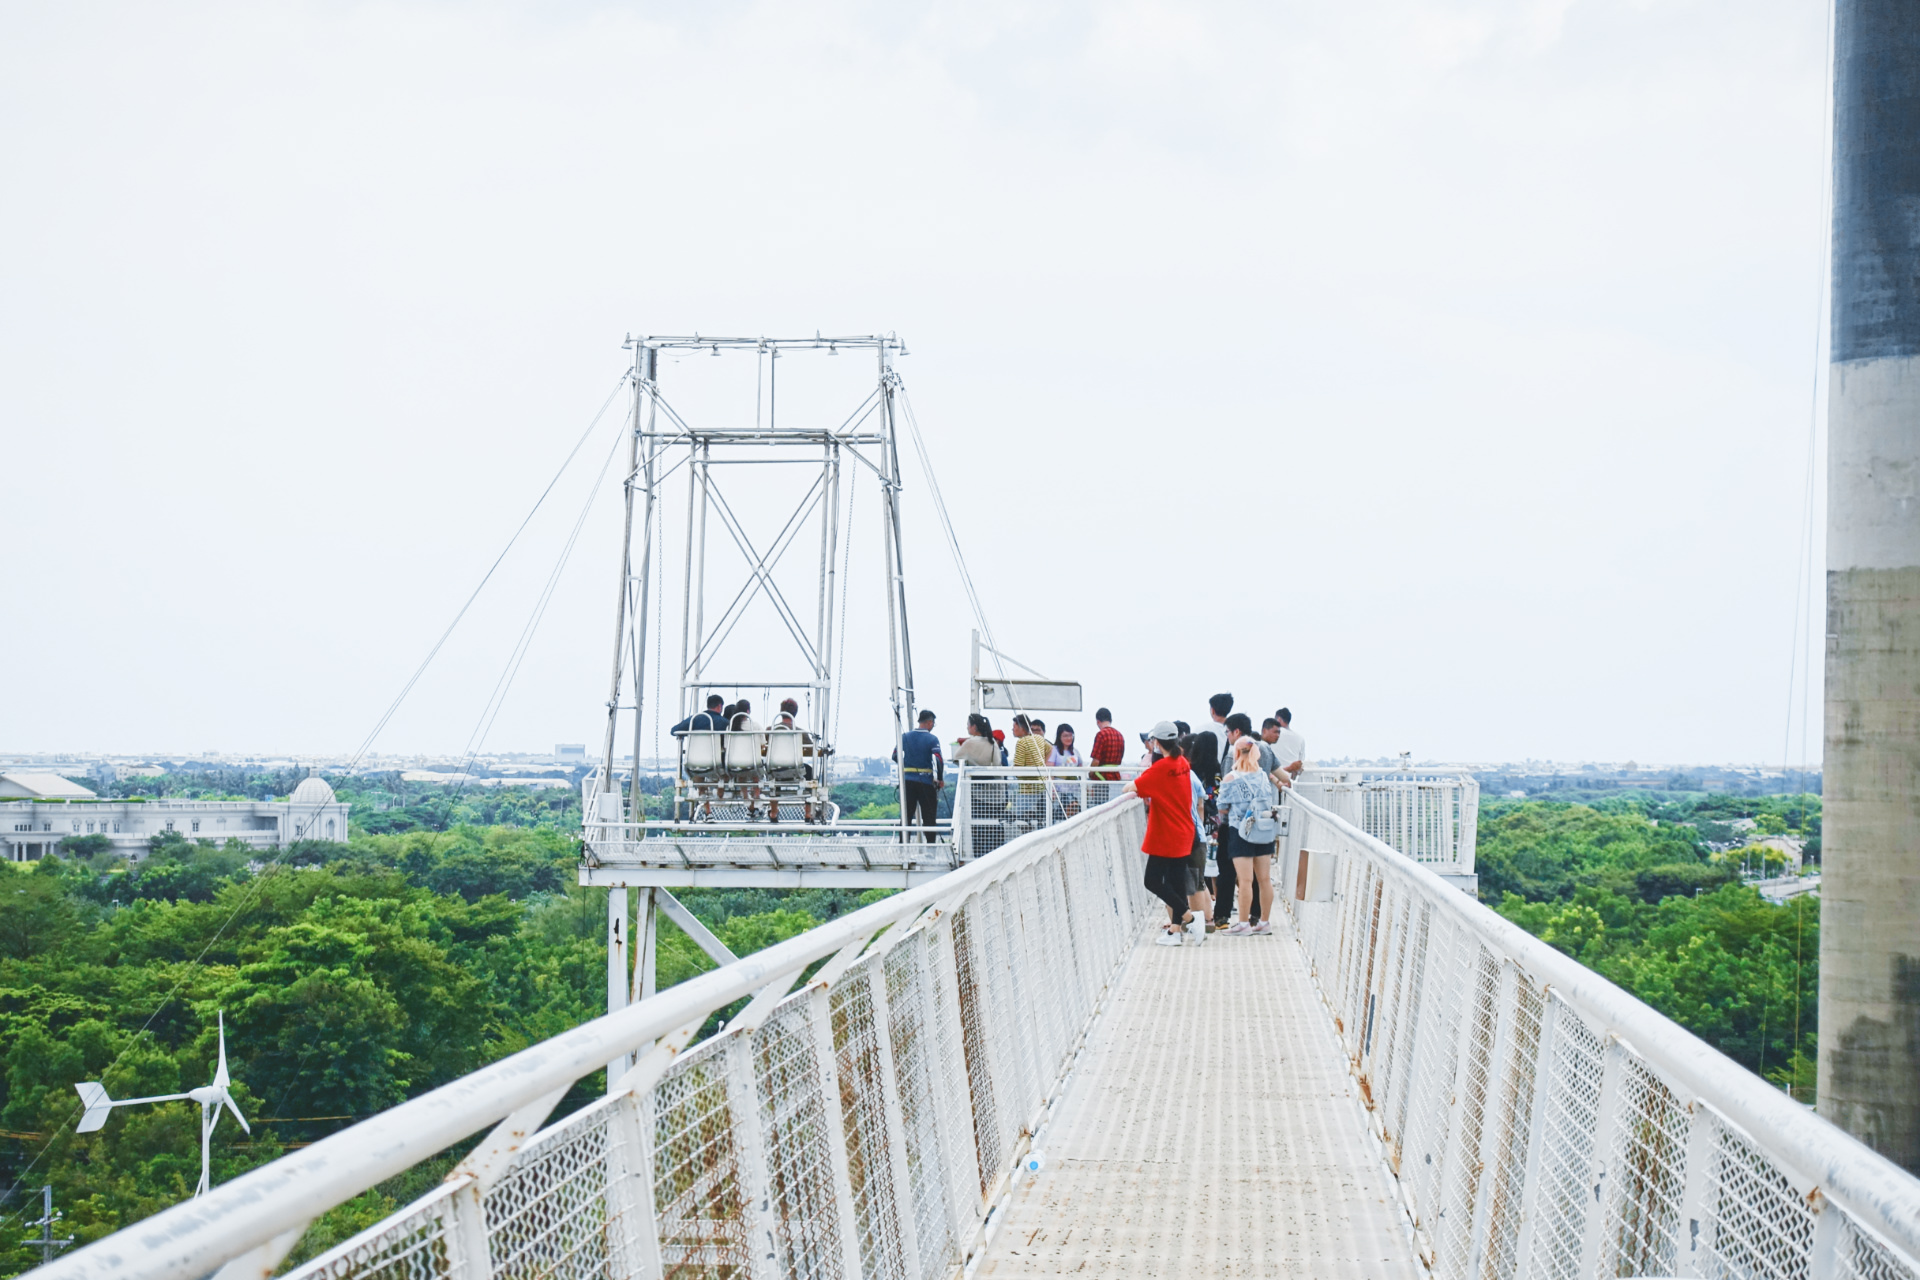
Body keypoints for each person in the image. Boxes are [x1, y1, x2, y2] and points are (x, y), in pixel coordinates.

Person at [1123, 722, 1201, 946]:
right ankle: (1175, 932)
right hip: (1184, 830)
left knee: (1152, 881)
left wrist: (1131, 785)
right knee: (1177, 882)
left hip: (1167, 834)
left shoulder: (1161, 767)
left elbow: (1132, 788)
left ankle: (1189, 918)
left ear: (1156, 742)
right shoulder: (1182, 762)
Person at [1217, 737, 1280, 934]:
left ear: (1236, 753)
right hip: (1263, 829)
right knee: (1264, 879)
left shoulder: (1231, 778)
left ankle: (1243, 924)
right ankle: (1264, 922)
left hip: (1241, 831)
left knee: (1245, 880)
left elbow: (1222, 808)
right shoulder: (1263, 776)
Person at [1179, 734, 1214, 930]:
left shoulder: (1180, 774)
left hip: (1184, 836)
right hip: (1198, 834)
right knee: (1199, 881)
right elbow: (1201, 805)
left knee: (1188, 884)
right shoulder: (1193, 777)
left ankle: (1192, 923)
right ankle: (1206, 919)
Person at [895, 709, 945, 843]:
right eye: (933, 723)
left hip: (908, 782)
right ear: (929, 722)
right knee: (929, 817)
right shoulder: (932, 739)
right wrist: (940, 778)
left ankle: (903, 846)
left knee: (906, 816)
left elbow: (895, 755)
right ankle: (930, 848)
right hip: (925, 782)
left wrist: (905, 767)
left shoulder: (905, 736)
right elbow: (939, 759)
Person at [1049, 723, 1083, 814]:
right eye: (1065, 736)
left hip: (1073, 789)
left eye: (1070, 735)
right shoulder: (1054, 750)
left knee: (1074, 812)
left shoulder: (1075, 752)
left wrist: (1085, 787)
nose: (1068, 738)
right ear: (1059, 737)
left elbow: (1081, 769)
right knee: (1060, 814)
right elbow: (1049, 770)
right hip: (1059, 789)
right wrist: (1052, 789)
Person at [1089, 707, 1125, 791]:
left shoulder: (1101, 734)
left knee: (1101, 803)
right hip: (1115, 777)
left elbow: (1096, 761)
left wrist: (1090, 773)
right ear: (1110, 720)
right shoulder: (1120, 735)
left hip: (1101, 777)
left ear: (1098, 721)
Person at [1271, 708, 1307, 780]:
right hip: (1290, 781)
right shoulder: (1300, 738)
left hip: (1273, 779)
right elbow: (1300, 762)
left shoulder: (1272, 735)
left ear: (1279, 719)